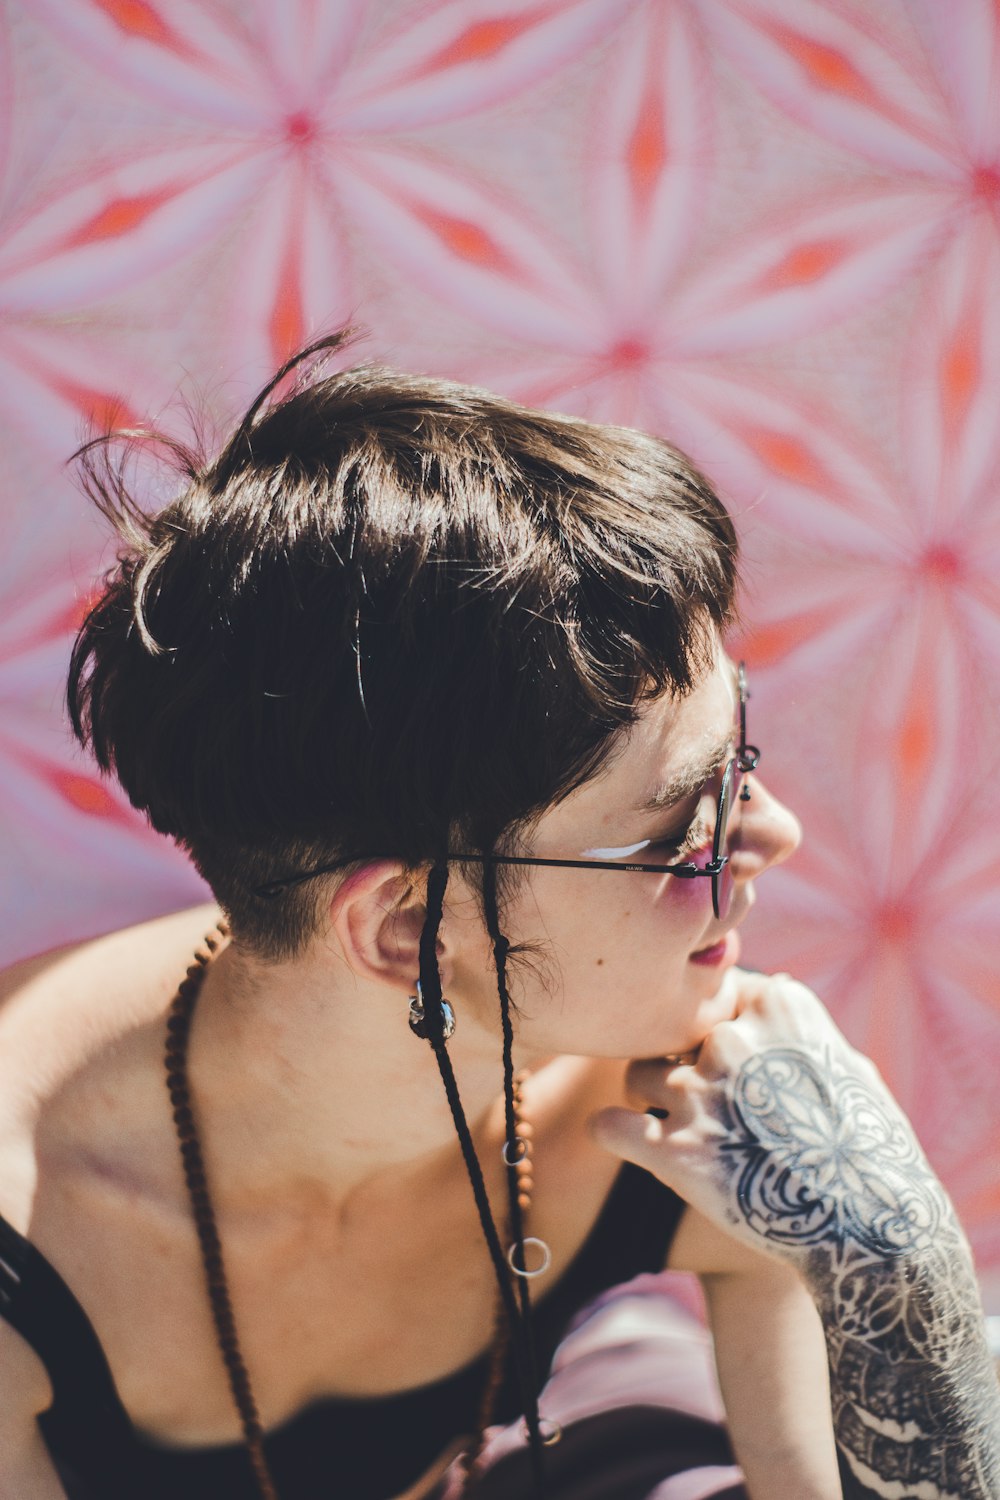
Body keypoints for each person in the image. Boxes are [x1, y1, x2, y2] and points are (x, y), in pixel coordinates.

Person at [0, 332, 996, 1500]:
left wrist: (893, 1260)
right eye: (688, 824)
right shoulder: (36, 1250)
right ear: (407, 934)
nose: (774, 837)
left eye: (744, 760)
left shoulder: (693, 1098)